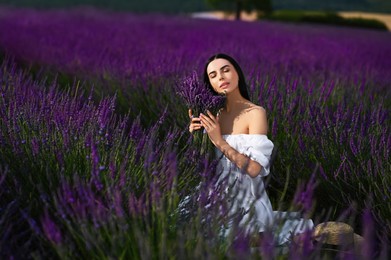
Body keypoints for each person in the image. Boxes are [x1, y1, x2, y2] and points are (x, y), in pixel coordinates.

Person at [188, 53, 313, 245]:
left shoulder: (255, 113)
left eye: (226, 70)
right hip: (214, 195)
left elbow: (254, 169)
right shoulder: (214, 115)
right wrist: (195, 135)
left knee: (224, 240)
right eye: (213, 75)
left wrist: (219, 141)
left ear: (237, 73)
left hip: (246, 201)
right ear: (210, 84)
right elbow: (203, 165)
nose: (220, 77)